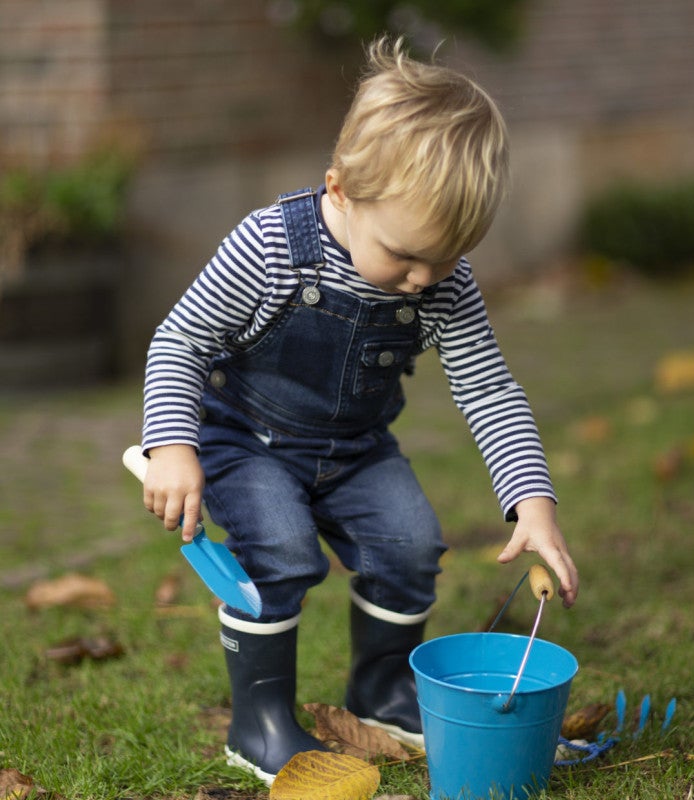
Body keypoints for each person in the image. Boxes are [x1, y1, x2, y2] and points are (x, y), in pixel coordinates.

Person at [138, 37, 579, 785]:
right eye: (405, 256)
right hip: (248, 440)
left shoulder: (443, 284)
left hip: (355, 448)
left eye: (445, 258)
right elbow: (181, 338)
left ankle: (382, 691)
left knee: (410, 544)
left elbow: (489, 390)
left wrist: (531, 501)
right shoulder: (270, 247)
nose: (422, 280)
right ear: (341, 190)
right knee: (279, 551)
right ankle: (260, 723)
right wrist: (172, 445)